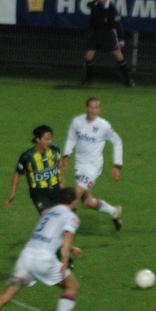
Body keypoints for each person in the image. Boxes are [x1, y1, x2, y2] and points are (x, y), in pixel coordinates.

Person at [61, 97, 123, 230]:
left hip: (93, 168)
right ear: (86, 107)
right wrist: (66, 155)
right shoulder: (77, 122)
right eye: (90, 107)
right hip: (79, 166)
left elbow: (117, 142)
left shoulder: (104, 126)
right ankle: (114, 211)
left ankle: (65, 231)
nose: (93, 110)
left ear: (99, 109)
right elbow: (71, 139)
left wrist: (116, 166)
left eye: (96, 107)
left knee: (73, 196)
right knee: (87, 202)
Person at [82, 0, 134, 88]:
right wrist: (90, 31)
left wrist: (121, 38)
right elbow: (92, 18)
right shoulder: (94, 5)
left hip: (109, 33)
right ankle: (88, 79)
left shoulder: (111, 7)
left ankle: (128, 80)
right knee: (89, 54)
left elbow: (117, 23)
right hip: (96, 32)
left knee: (117, 54)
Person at [6, 125, 64, 215]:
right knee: (48, 217)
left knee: (62, 216)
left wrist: (62, 180)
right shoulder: (27, 157)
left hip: (56, 189)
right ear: (38, 139)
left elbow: (58, 163)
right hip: (39, 192)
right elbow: (17, 173)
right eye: (46, 139)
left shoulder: (55, 149)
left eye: (50, 139)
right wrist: (13, 192)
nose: (49, 142)